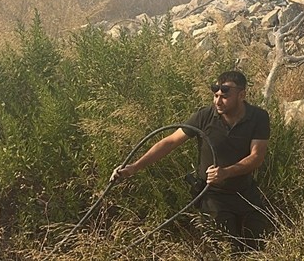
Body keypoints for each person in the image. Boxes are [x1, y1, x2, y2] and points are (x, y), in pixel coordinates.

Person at [112, 70, 274, 252]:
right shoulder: (204, 116)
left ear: (242, 95)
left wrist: (226, 172)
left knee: (257, 247)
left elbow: (256, 157)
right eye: (215, 96)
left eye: (224, 97)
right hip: (213, 196)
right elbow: (170, 142)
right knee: (228, 250)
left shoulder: (258, 117)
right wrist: (134, 167)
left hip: (246, 193)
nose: (218, 101)